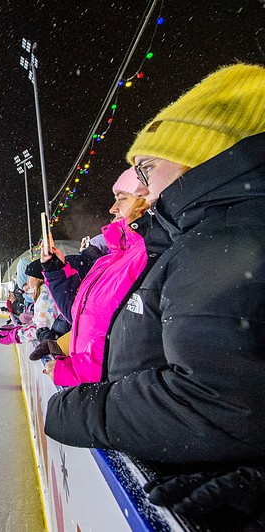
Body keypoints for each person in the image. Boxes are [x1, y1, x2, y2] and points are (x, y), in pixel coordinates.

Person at [44, 64, 265, 527]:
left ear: (198, 155)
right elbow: (99, 326)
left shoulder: (219, 240)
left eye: (146, 168)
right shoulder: (200, 238)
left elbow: (221, 398)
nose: (140, 188)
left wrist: (82, 406)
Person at [34, 167, 167, 385]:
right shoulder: (111, 260)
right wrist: (56, 270)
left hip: (113, 389)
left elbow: (132, 339)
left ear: (143, 201)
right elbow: (80, 315)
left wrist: (75, 370)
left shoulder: (146, 256)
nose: (113, 208)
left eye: (121, 199)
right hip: (97, 384)